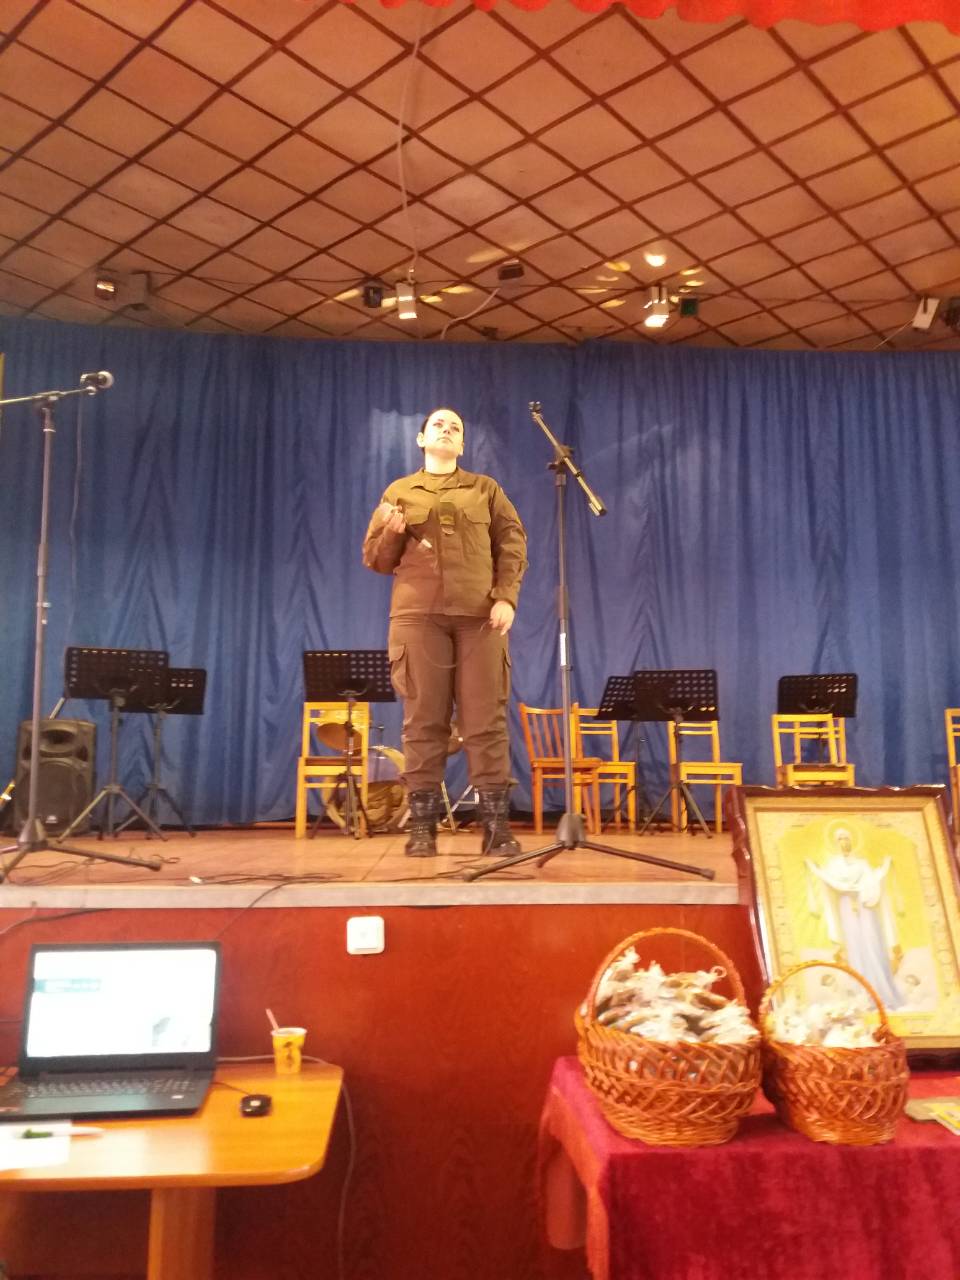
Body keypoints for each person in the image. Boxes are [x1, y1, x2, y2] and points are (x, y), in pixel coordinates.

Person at [362, 408, 528, 857]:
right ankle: (422, 828)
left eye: (455, 427)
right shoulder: (399, 491)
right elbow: (376, 560)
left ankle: (495, 828)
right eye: (438, 424)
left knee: (486, 722)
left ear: (462, 444)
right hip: (418, 617)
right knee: (423, 721)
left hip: (481, 618)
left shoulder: (485, 489)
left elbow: (513, 544)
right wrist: (392, 534)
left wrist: (506, 597)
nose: (447, 430)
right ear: (421, 439)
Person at [805, 822, 903, 1009]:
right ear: (836, 843)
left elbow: (872, 879)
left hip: (866, 907)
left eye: (847, 839)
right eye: (840, 839)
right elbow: (831, 880)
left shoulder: (862, 863)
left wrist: (884, 867)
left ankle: (882, 990)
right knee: (855, 945)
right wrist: (814, 869)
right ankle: (861, 994)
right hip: (847, 907)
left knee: (873, 943)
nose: (844, 842)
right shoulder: (834, 865)